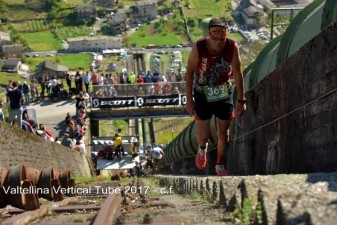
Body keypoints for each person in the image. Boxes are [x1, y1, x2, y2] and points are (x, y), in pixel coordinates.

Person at [185, 17, 247, 176]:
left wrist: (241, 98)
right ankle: (202, 149)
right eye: (215, 37)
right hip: (202, 94)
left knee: (223, 134)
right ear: (209, 34)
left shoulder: (232, 47)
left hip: (223, 93)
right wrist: (189, 99)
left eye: (222, 37)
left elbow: (238, 73)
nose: (219, 42)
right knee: (204, 136)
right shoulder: (199, 47)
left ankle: (220, 165)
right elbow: (190, 72)